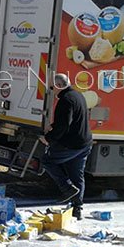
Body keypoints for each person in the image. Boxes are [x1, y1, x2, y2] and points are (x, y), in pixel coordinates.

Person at [40, 74, 93, 219]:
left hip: (72, 144)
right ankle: (77, 209)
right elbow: (72, 120)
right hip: (84, 143)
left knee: (47, 161)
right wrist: (54, 126)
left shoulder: (65, 100)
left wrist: (48, 138)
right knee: (78, 175)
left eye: (52, 87)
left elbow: (64, 125)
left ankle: (67, 188)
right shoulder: (78, 95)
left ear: (58, 86)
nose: (52, 90)